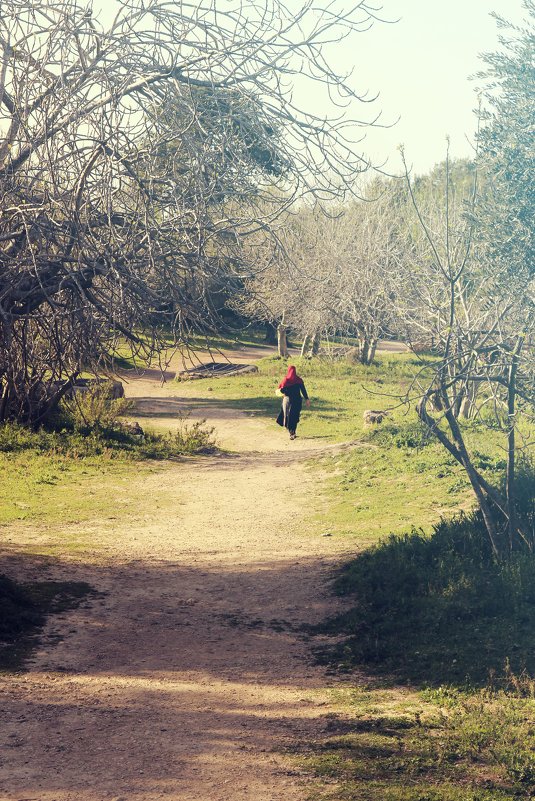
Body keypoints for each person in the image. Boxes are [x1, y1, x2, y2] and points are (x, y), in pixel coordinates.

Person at [276, 365, 310, 440]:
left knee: (287, 416)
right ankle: (293, 431)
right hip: (297, 401)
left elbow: (281, 390)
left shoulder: (286, 380)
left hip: (287, 401)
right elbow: (303, 390)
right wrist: (307, 399)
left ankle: (291, 432)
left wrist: (283, 390)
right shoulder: (299, 380)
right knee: (294, 416)